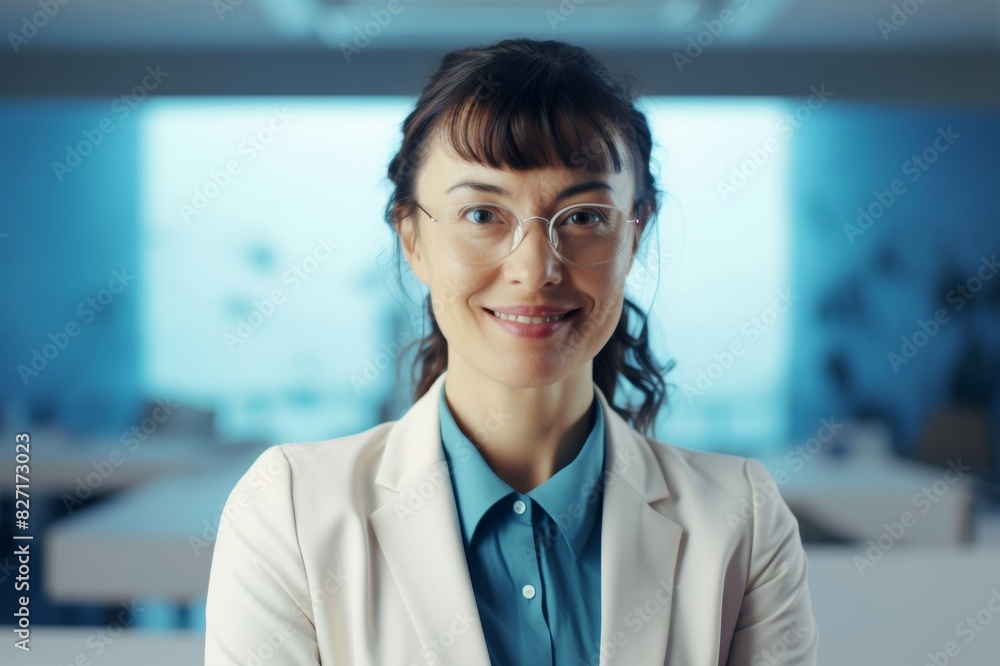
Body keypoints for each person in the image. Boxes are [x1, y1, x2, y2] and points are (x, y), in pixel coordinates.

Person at [204, 37, 820, 665]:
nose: (535, 269)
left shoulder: (740, 518)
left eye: (583, 217)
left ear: (636, 236)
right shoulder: (289, 512)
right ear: (412, 238)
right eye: (481, 214)